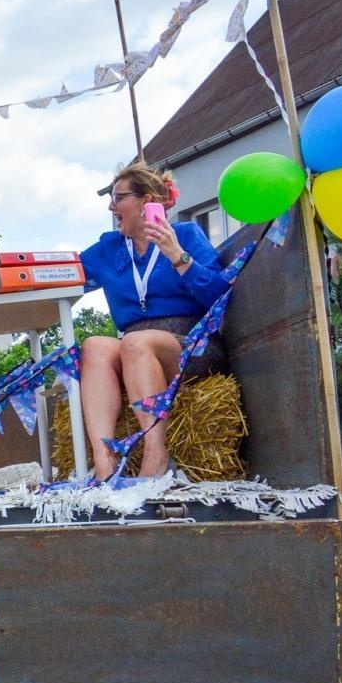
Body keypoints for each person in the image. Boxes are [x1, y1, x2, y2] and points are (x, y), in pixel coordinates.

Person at [79, 164, 230, 481]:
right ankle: (104, 461)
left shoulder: (186, 235)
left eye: (118, 198)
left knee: (135, 343)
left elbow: (220, 296)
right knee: (94, 345)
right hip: (133, 345)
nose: (111, 207)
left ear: (145, 200)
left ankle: (156, 455)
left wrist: (178, 257)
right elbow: (61, 272)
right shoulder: (109, 248)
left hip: (191, 345)